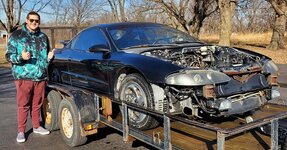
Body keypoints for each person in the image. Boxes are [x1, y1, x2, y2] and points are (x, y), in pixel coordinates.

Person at [5, 11, 55, 143]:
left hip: (40, 77)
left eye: (37, 21)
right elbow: (8, 56)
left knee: (37, 104)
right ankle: (21, 131)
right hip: (23, 76)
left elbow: (44, 59)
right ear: (26, 20)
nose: (34, 23)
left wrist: (49, 59)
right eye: (32, 20)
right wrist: (20, 57)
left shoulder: (43, 37)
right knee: (23, 105)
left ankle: (37, 126)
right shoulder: (16, 36)